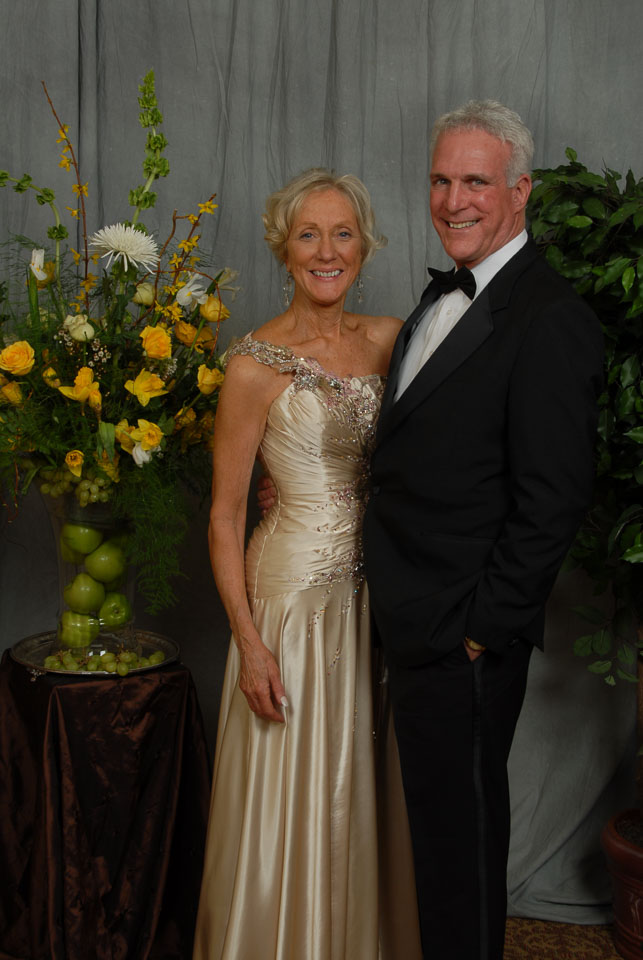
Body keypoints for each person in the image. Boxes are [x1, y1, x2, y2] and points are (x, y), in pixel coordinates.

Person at [362, 100, 604, 959]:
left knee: (458, 848)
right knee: (438, 839)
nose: (452, 200)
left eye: (474, 181)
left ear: (519, 190)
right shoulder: (442, 297)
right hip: (411, 614)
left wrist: (480, 631)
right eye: (440, 180)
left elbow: (552, 500)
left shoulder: (549, 317)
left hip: (460, 630)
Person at [193, 169, 422, 960]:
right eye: (308, 235)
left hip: (378, 597)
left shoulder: (393, 339)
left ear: (365, 245)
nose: (327, 251)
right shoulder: (253, 366)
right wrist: (248, 641)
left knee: (358, 783)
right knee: (291, 782)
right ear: (283, 248)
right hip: (289, 603)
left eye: (342, 233)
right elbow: (224, 516)